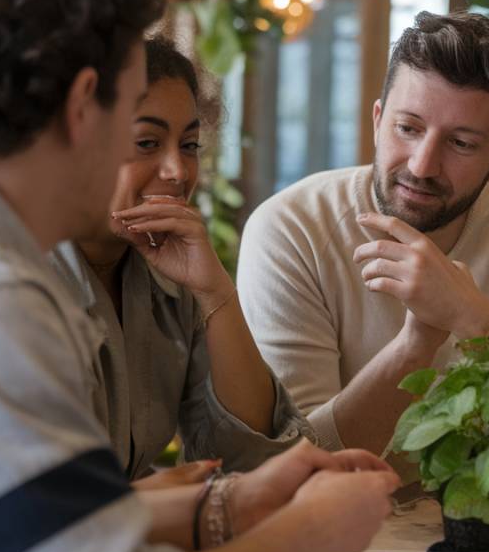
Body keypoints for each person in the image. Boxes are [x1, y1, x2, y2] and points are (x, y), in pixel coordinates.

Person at [0, 0, 398, 552]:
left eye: (188, 142)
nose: (173, 171)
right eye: (135, 129)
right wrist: (309, 531)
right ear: (83, 105)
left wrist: (243, 500)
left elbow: (35, 527)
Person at [238, 11, 489, 454]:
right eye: (407, 128)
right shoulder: (292, 229)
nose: (422, 165)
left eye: (461, 143)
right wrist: (415, 345)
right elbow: (293, 457)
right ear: (378, 121)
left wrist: (481, 323)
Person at [49, 36, 309, 484]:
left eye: (189, 145)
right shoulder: (16, 276)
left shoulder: (168, 274)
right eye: (147, 143)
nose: (177, 171)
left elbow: (251, 461)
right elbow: (40, 497)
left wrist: (215, 292)